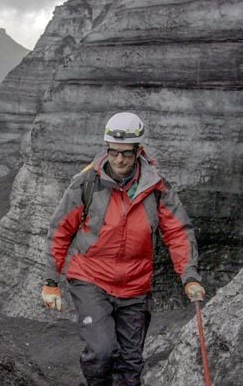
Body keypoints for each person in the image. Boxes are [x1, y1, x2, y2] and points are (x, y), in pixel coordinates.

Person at [41, 112, 205, 386]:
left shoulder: (156, 189)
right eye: (114, 152)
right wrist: (50, 281)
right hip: (91, 279)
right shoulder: (86, 184)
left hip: (135, 287)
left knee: (130, 365)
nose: (119, 160)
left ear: (139, 151)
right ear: (106, 149)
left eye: (126, 153)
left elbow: (178, 231)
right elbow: (59, 231)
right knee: (103, 351)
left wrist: (189, 276)